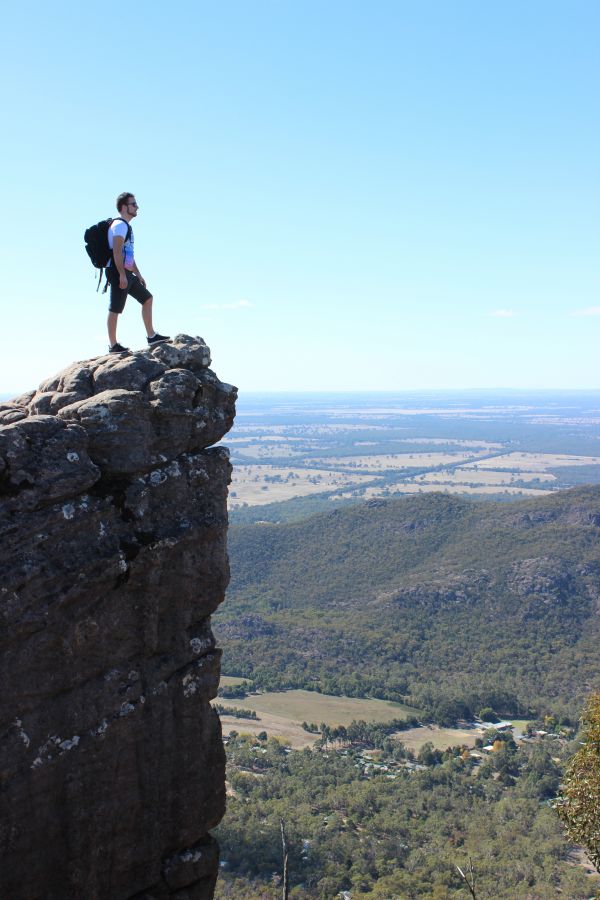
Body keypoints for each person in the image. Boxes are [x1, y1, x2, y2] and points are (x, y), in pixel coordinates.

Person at [105, 192, 169, 353]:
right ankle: (113, 346)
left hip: (127, 272)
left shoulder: (126, 226)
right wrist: (121, 275)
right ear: (124, 207)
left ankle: (151, 336)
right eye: (133, 204)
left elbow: (128, 255)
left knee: (147, 298)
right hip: (118, 271)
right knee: (115, 308)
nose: (137, 207)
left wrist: (138, 274)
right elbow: (117, 252)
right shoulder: (119, 226)